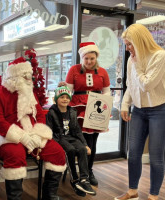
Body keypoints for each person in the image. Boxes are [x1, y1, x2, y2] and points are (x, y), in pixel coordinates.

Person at [0, 57, 66, 200]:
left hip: (32, 135)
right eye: (26, 76)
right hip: (4, 138)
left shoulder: (30, 93)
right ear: (14, 77)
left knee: (57, 152)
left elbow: (40, 115)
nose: (30, 79)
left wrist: (36, 135)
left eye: (30, 76)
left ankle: (50, 195)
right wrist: (22, 137)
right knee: (15, 155)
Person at [115, 24, 165, 200]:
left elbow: (147, 85)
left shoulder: (160, 57)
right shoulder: (131, 59)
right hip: (139, 111)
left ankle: (153, 196)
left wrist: (138, 65)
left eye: (130, 44)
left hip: (161, 111)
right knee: (133, 153)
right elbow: (131, 86)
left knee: (156, 156)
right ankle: (133, 191)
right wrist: (125, 104)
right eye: (126, 45)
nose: (127, 49)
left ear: (140, 42)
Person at [63, 42, 111, 186]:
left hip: (95, 108)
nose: (89, 61)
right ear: (82, 58)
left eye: (92, 58)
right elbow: (67, 91)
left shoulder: (103, 72)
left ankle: (89, 171)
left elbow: (106, 91)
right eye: (86, 58)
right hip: (78, 110)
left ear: (96, 57)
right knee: (81, 142)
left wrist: (105, 107)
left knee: (92, 142)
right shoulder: (74, 70)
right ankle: (80, 173)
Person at [46, 86, 96, 197]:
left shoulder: (72, 112)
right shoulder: (52, 113)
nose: (65, 99)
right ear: (56, 99)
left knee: (82, 149)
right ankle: (74, 180)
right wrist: (54, 143)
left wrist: (85, 144)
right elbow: (49, 131)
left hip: (72, 137)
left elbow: (78, 131)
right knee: (71, 150)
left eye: (67, 97)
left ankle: (84, 180)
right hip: (59, 138)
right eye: (62, 97)